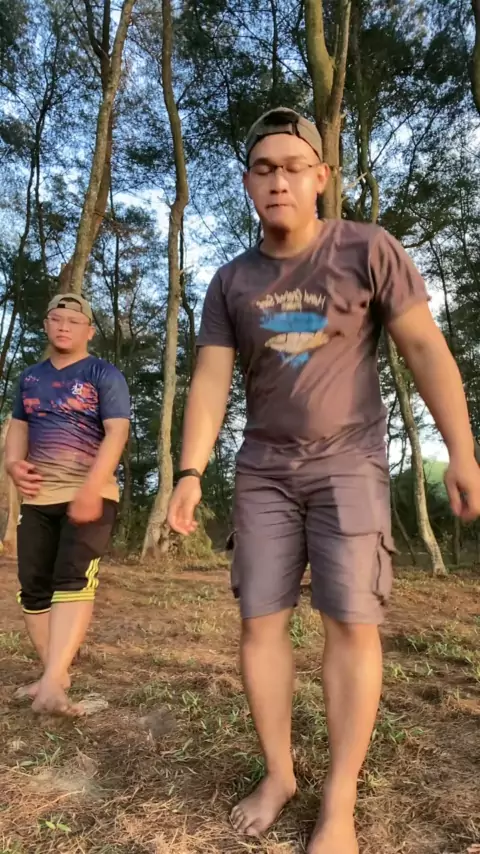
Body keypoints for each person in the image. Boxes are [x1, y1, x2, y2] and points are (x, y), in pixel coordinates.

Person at [167, 107, 480, 854]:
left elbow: (425, 350)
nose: (278, 180)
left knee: (351, 623)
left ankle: (339, 801)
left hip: (349, 464)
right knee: (259, 623)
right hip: (263, 470)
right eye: (263, 169)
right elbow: (210, 381)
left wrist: (463, 451)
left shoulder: (368, 250)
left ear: (321, 177)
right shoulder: (231, 281)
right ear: (248, 184)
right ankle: (279, 775)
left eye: (292, 167)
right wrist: (188, 471)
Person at [5, 292, 130, 716]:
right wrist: (12, 464)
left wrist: (92, 488)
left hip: (89, 495)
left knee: (73, 580)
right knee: (33, 588)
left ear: (89, 331)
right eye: (56, 319)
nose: (63, 326)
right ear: (46, 325)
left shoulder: (103, 374)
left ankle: (53, 684)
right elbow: (18, 426)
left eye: (73, 321)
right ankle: (53, 678)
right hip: (39, 497)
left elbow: (117, 432)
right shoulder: (29, 377)